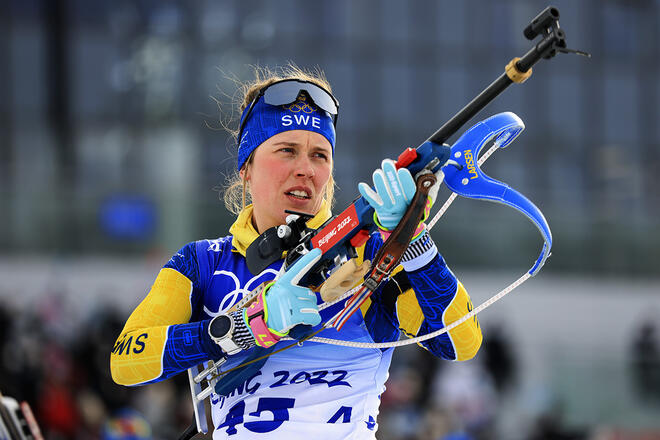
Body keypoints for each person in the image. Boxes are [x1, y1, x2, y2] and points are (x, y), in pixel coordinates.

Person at [110, 65, 483, 439]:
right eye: (287, 150)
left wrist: (411, 235)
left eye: (320, 155)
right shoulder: (203, 262)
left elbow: (460, 342)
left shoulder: (369, 252)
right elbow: (125, 362)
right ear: (247, 168)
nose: (305, 169)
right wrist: (243, 328)